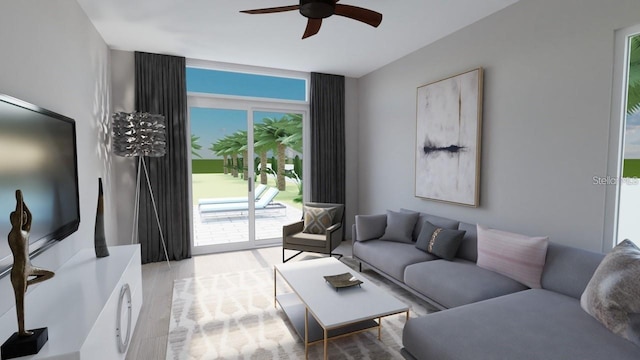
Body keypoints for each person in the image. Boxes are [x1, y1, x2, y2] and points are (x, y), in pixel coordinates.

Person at [8, 189, 54, 337]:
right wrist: (19, 201)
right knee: (19, 301)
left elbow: (31, 217)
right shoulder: (14, 234)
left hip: (29, 268)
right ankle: (22, 330)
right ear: (15, 219)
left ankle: (30, 283)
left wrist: (23, 202)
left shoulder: (25, 233)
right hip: (19, 271)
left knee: (49, 274)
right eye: (22, 216)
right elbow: (21, 219)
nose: (25, 218)